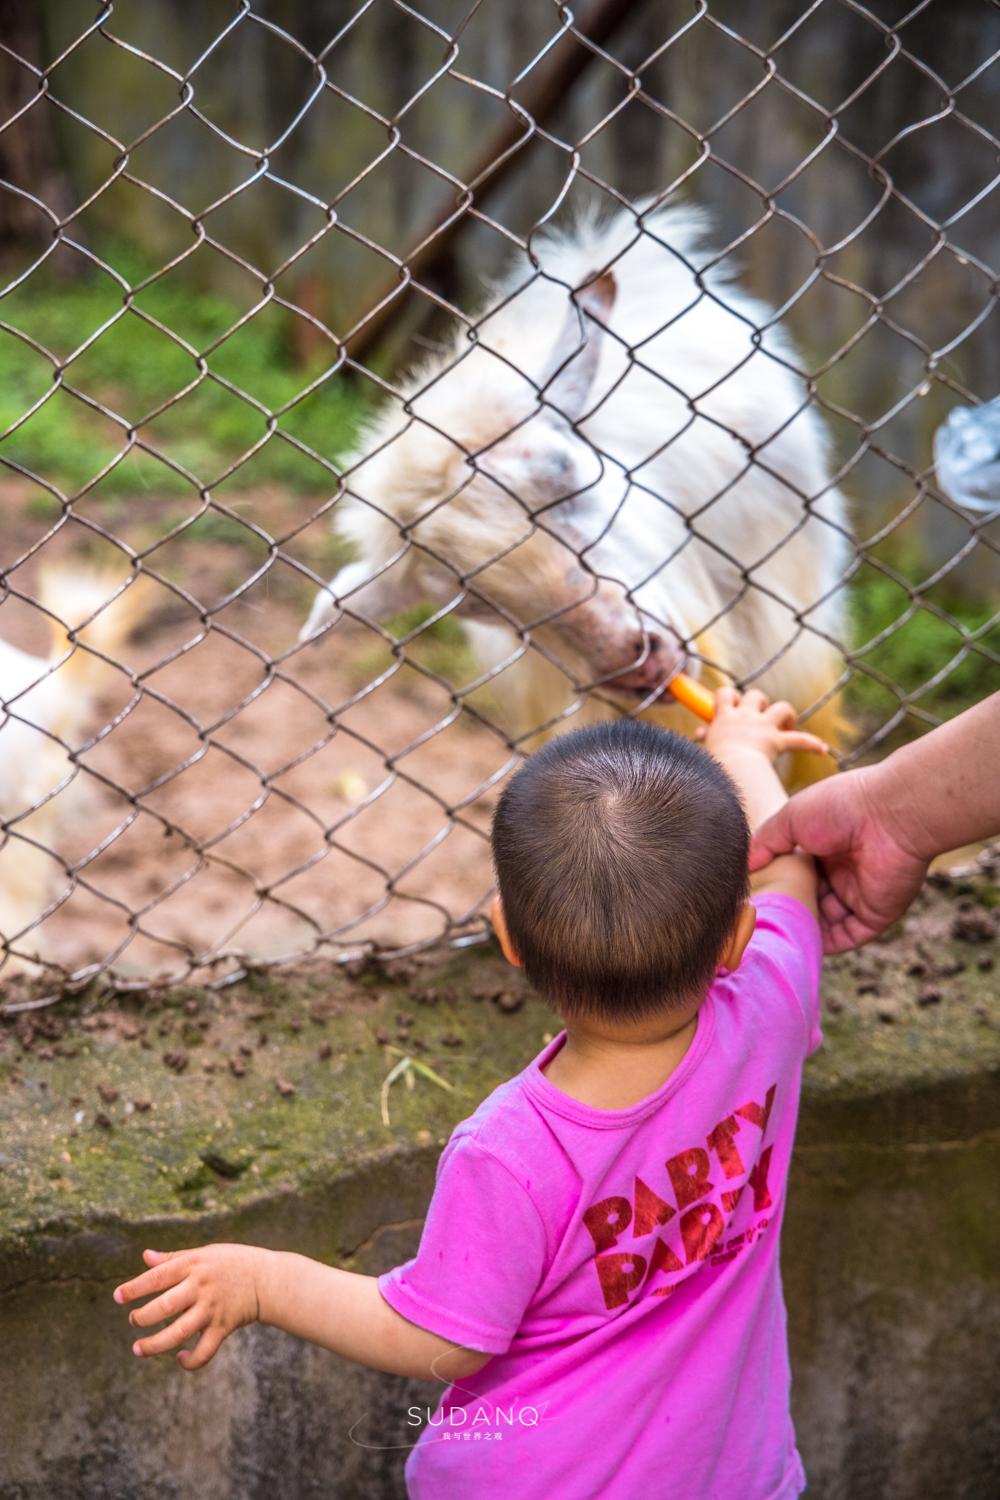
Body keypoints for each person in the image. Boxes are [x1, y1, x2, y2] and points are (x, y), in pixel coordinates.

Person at [114, 688, 828, 1500]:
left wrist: (266, 1282)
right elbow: (790, 867)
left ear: (508, 938)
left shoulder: (513, 1150)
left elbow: (441, 1339)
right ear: (736, 938)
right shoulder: (769, 1009)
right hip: (731, 1475)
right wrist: (741, 750)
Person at [750, 690, 1000, 953]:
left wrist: (888, 817)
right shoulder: (770, 960)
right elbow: (779, 883)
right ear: (736, 936)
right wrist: (744, 748)